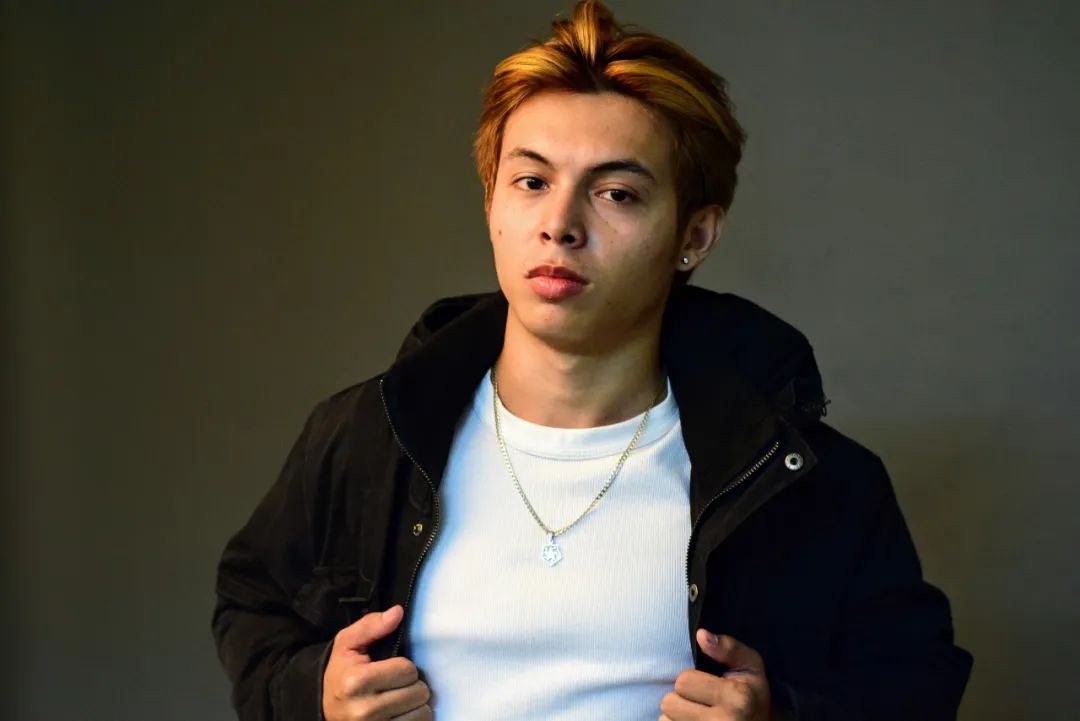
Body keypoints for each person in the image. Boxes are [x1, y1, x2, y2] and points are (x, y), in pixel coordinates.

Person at [211, 1, 973, 719]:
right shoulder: (369, 434)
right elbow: (251, 603)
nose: (559, 224)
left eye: (616, 194)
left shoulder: (804, 477)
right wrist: (315, 692)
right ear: (491, 201)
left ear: (694, 236)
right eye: (531, 181)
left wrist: (781, 713)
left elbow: (918, 682)